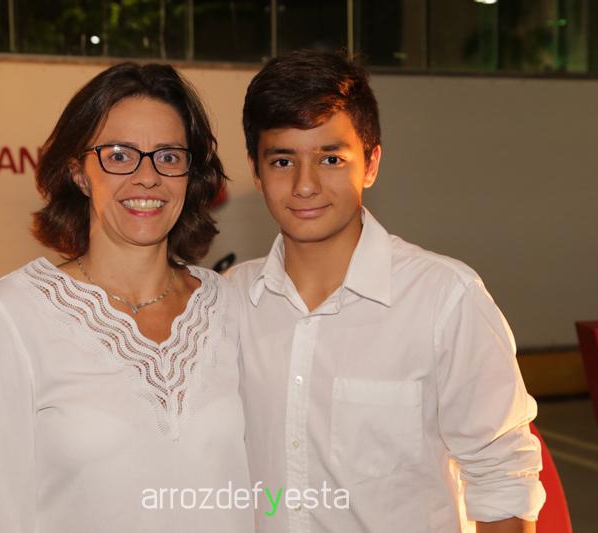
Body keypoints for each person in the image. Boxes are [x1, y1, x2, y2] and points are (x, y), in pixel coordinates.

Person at [227, 50, 545, 532]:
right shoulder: (231, 301)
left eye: (331, 159)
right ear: (256, 170)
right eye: (283, 160)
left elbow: (503, 478)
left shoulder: (444, 299)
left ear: (371, 163)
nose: (305, 185)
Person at [0, 63, 253, 533]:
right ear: (79, 173)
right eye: (119, 155)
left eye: (169, 156)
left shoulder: (229, 305)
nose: (147, 177)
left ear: (189, 173)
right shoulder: (16, 312)